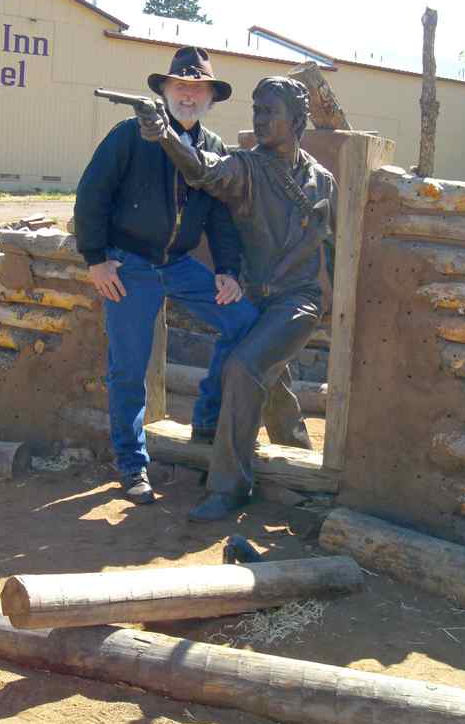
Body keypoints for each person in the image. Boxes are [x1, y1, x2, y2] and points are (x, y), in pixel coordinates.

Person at [138, 76, 338, 521]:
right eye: (256, 109)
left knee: (243, 366)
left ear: (296, 119)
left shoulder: (322, 182)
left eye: (270, 110)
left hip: (298, 301)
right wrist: (167, 135)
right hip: (256, 298)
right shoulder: (246, 167)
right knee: (263, 368)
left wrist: (336, 308)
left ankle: (230, 487)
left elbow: (334, 248)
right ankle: (296, 455)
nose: (260, 118)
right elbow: (203, 168)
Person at [74, 46, 257, 505]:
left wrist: (229, 271)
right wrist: (95, 258)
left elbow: (220, 219)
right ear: (165, 90)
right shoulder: (129, 136)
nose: (189, 95)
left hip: (176, 264)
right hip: (129, 265)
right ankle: (133, 466)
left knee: (243, 322)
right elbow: (91, 195)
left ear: (210, 97)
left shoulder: (213, 149)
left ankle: (207, 417)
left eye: (198, 88)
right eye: (181, 86)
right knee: (128, 371)